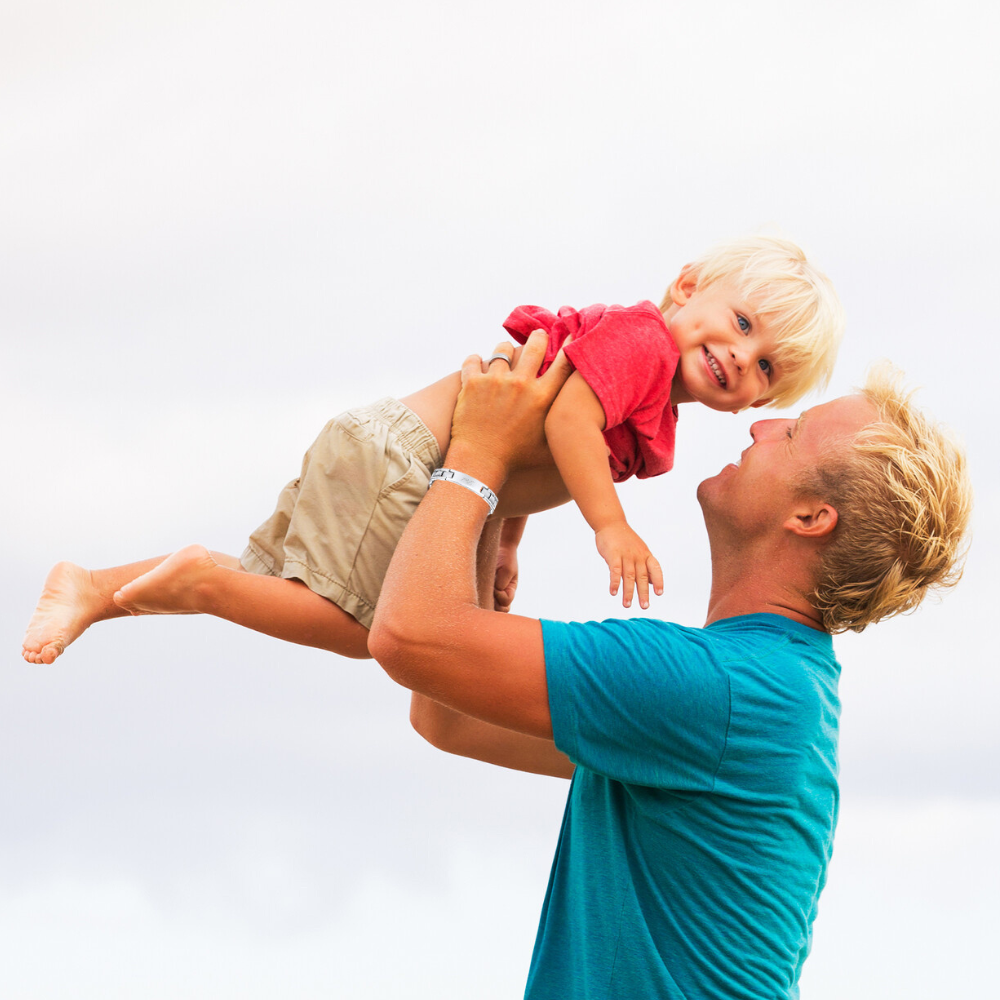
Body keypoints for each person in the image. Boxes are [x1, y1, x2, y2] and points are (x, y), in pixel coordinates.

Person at [368, 331, 972, 999]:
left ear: (809, 516)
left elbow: (409, 636)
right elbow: (449, 713)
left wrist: (480, 450)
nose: (763, 423)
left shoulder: (720, 690)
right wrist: (493, 498)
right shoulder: (769, 688)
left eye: (794, 433)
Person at [22, 236, 843, 665]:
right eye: (741, 323)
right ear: (688, 287)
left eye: (765, 366)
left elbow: (543, 433)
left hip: (409, 460)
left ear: (762, 399)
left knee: (276, 583)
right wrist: (609, 526)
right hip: (410, 462)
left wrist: (509, 539)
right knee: (359, 629)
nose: (742, 356)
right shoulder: (643, 346)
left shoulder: (653, 382)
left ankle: (97, 587)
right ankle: (194, 583)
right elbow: (562, 424)